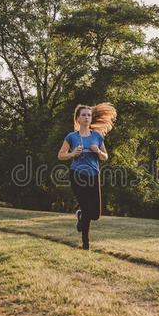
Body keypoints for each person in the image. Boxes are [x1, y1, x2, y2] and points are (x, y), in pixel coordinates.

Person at [58, 103, 116, 250]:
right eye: (83, 115)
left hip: (93, 175)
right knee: (86, 207)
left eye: (88, 115)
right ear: (78, 118)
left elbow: (105, 157)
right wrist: (72, 154)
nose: (86, 117)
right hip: (77, 175)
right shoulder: (71, 137)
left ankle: (80, 216)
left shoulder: (97, 136)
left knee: (95, 214)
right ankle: (86, 244)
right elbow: (60, 155)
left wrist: (98, 151)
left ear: (91, 119)